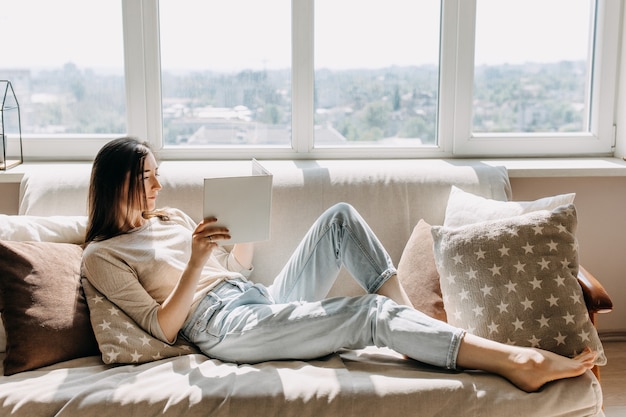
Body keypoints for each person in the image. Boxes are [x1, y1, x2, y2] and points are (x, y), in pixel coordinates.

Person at [81, 137, 596, 393]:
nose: (159, 186)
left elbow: (235, 266)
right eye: (148, 177)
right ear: (119, 184)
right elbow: (164, 328)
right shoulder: (102, 257)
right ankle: (514, 362)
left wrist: (245, 224)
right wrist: (195, 263)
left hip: (253, 296)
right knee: (367, 314)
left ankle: (415, 320)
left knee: (340, 219)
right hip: (220, 326)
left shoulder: (168, 215)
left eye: (156, 174)